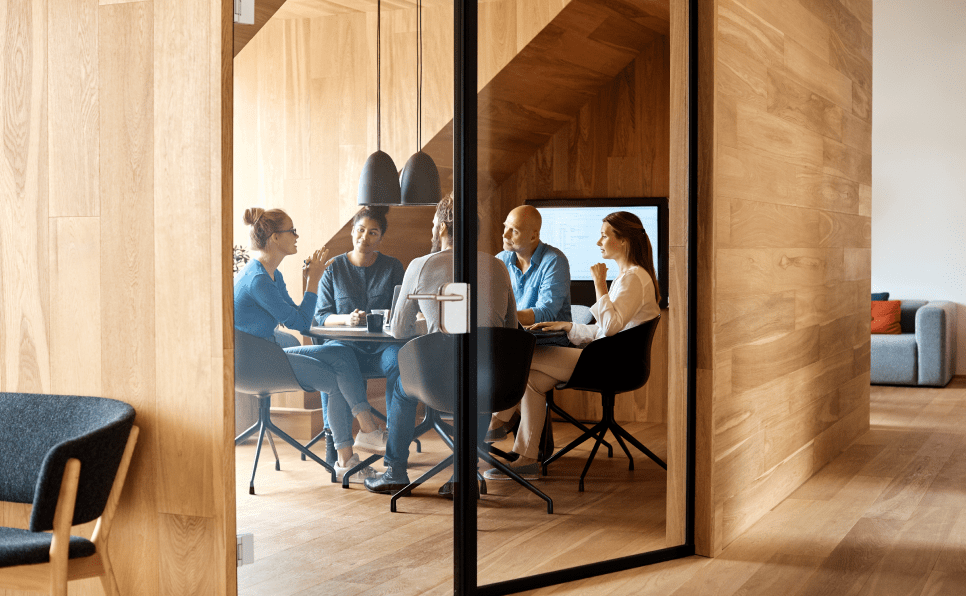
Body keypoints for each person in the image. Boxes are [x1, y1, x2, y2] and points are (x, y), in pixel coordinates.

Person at [483, 211, 662, 480]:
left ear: (623, 241)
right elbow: (605, 329)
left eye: (604, 235)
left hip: (613, 364)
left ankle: (495, 422)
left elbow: (611, 327)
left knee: (524, 359)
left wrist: (600, 285)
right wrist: (568, 326)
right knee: (531, 378)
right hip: (609, 357)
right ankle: (527, 458)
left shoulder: (632, 278)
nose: (599, 242)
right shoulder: (631, 276)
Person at [364, 193, 519, 495]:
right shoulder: (498, 267)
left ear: (445, 229)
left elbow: (398, 331)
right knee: (480, 379)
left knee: (401, 385)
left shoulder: (420, 265)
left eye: (434, 225)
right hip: (495, 381)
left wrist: (429, 325)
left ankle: (395, 471)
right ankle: (465, 473)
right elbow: (509, 330)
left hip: (438, 382)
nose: (431, 230)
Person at [233, 207, 387, 484]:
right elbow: (302, 322)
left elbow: (299, 314)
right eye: (291, 231)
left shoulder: (271, 275)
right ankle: (350, 454)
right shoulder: (258, 280)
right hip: (254, 363)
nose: (296, 236)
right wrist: (313, 280)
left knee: (340, 352)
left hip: (268, 350)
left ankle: (364, 434)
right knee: (334, 379)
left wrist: (310, 285)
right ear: (274, 238)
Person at [313, 206, 405, 483]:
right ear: (352, 232)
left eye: (372, 232)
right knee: (338, 365)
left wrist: (387, 315)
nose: (364, 237)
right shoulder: (334, 269)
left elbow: (403, 311)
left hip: (381, 349)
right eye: (360, 230)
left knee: (399, 363)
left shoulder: (392, 267)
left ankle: (392, 445)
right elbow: (320, 317)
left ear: (380, 238)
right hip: (347, 350)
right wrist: (345, 320)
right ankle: (350, 449)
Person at [497, 204, 572, 327]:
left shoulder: (555, 261)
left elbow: (546, 313)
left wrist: (503, 317)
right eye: (506, 227)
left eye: (514, 231)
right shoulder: (501, 259)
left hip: (548, 340)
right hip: (514, 336)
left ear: (533, 236)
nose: (505, 235)